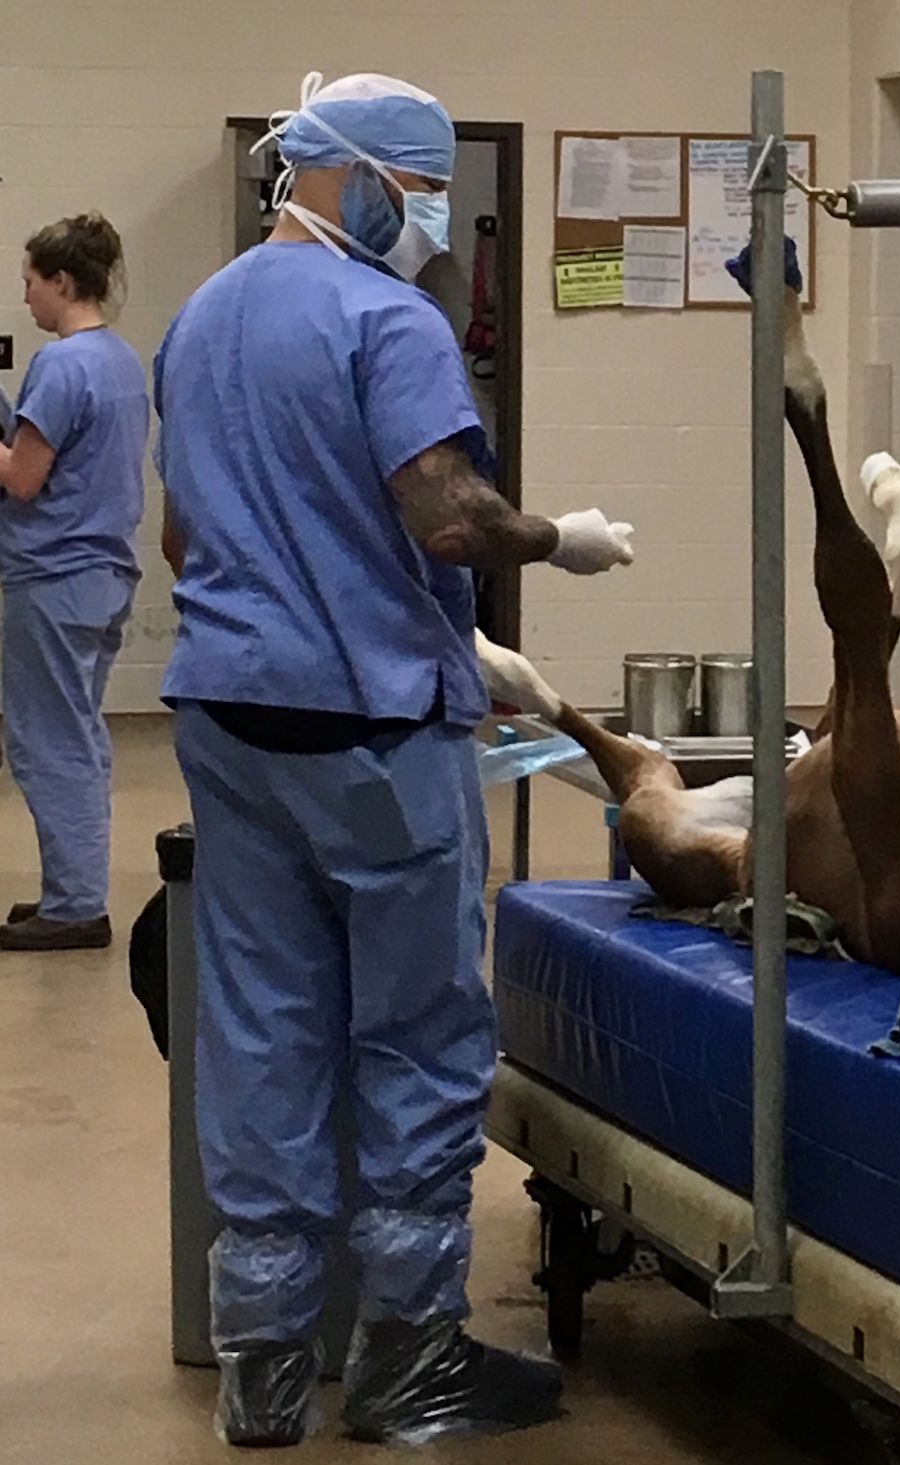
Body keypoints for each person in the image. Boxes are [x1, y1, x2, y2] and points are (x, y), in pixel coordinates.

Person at [154, 72, 636, 1448]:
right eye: (420, 194)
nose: (426, 219)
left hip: (231, 724)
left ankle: (259, 1364)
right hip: (369, 733)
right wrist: (560, 539)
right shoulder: (387, 318)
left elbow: (189, 543)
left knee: (263, 1024)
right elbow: (447, 516)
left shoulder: (200, 318)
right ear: (355, 181)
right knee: (418, 1034)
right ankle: (409, 1356)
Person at [0, 214, 148, 952]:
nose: (25, 297)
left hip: (50, 572)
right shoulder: (120, 360)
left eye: (30, 282)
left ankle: (76, 904)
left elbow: (23, 477)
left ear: (62, 281)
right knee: (79, 734)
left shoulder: (60, 366)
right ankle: (71, 887)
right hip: (102, 570)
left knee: (48, 741)